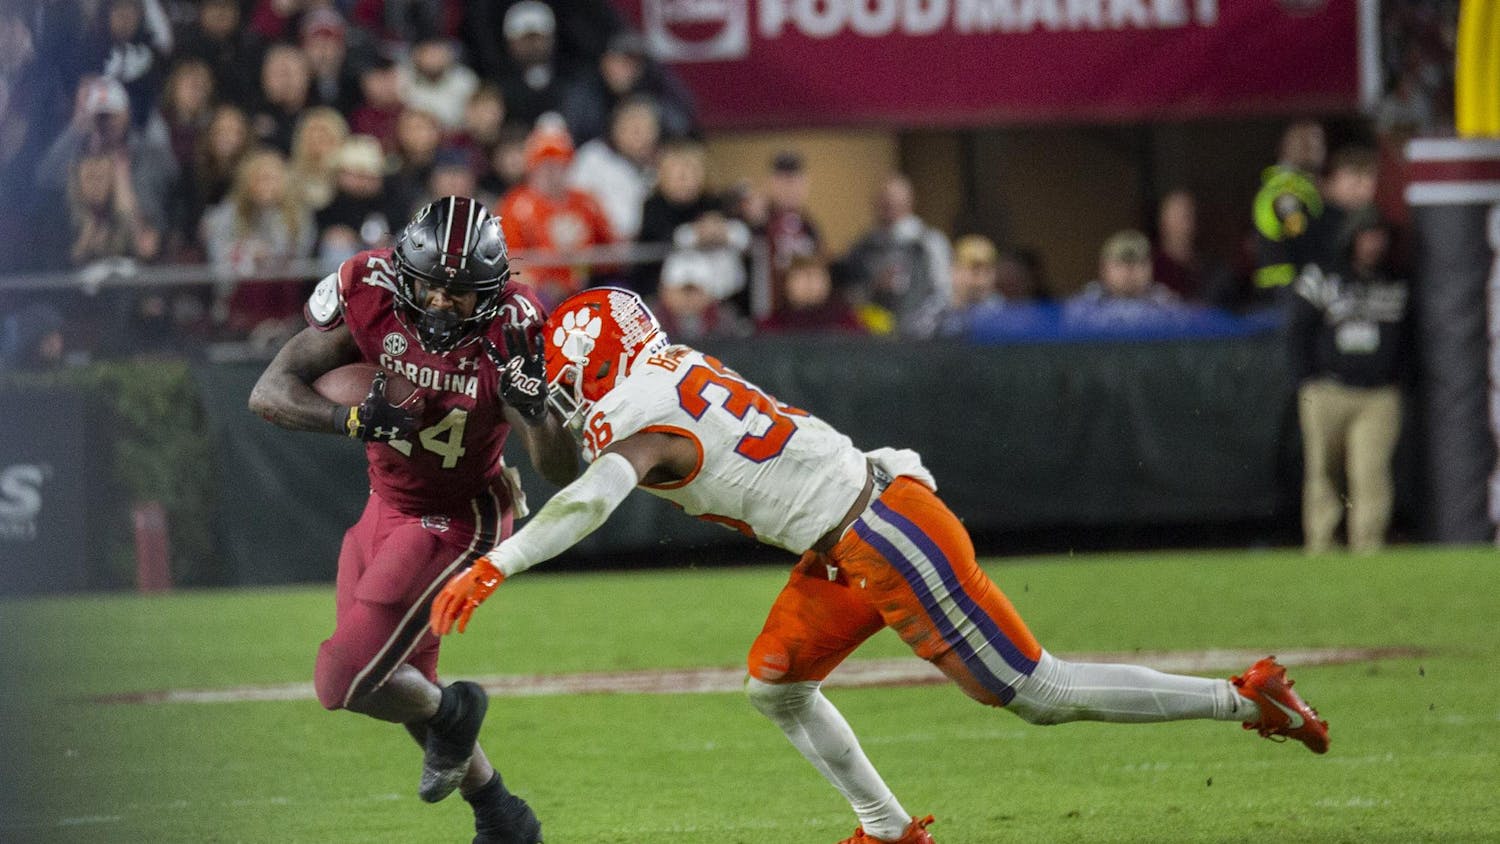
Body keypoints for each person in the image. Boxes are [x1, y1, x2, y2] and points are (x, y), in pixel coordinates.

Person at [427, 286, 1331, 844]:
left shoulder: (642, 412)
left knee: (1037, 692)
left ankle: (1248, 698)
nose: (565, 388)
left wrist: (499, 562)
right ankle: (888, 830)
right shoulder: (668, 368)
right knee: (776, 685)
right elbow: (588, 461)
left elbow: (590, 497)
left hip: (883, 535)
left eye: (569, 374)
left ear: (595, 362)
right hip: (849, 534)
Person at [248, 196, 578, 844]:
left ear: (489, 291)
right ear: (405, 274)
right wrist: (347, 419)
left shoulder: (513, 328)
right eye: (429, 286)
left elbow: (561, 469)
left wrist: (538, 411)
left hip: (458, 518)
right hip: (384, 504)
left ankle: (456, 710)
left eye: (460, 293)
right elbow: (269, 391)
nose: (440, 303)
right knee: (398, 683)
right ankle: (502, 816)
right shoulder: (369, 292)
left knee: (344, 678)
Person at [1288, 207, 1410, 554]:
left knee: (1370, 472)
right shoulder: (1322, 276)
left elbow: (1410, 338)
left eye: (1379, 236)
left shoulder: (1397, 281)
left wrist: (1399, 378)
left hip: (1377, 395)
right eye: (1366, 236)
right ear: (1351, 238)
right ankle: (1322, 544)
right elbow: (1299, 329)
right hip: (1327, 389)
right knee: (1321, 470)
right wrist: (1306, 380)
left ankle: (1367, 547)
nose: (1373, 244)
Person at [840, 174, 953, 337]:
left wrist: (915, 331)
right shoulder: (863, 246)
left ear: (910, 202)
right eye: (884, 201)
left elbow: (943, 294)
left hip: (921, 337)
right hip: (873, 336)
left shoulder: (929, 242)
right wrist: (874, 287)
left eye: (896, 201)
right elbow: (851, 296)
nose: (889, 206)